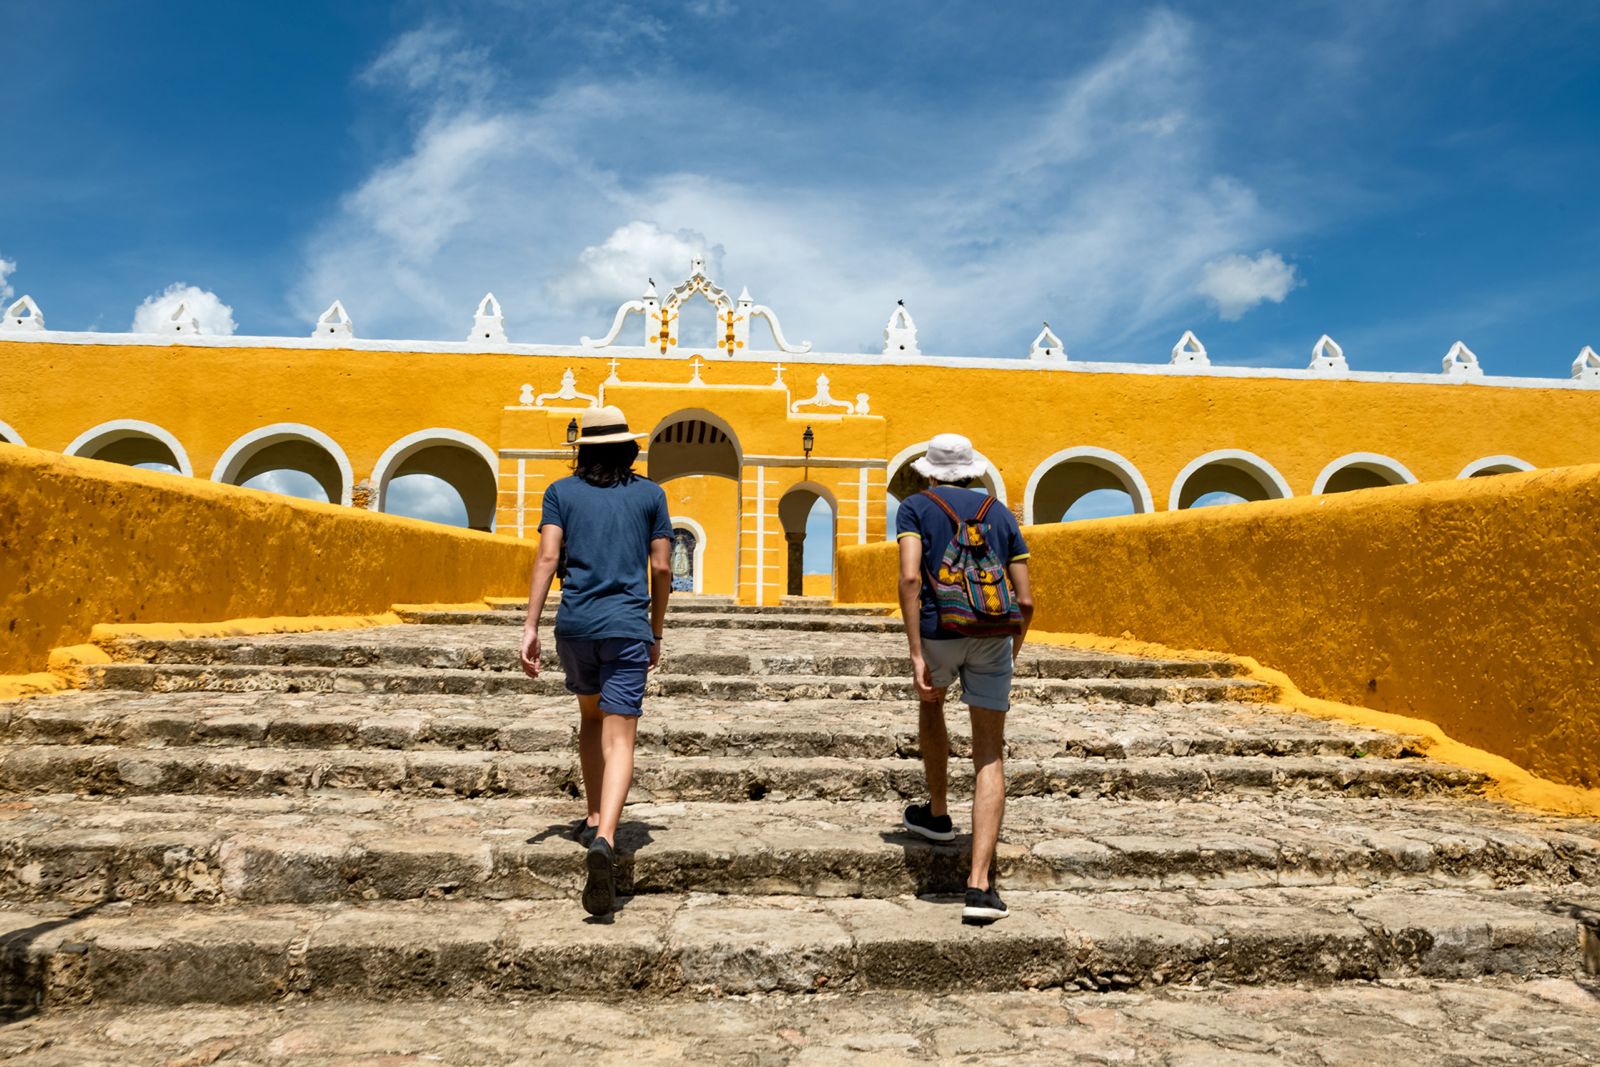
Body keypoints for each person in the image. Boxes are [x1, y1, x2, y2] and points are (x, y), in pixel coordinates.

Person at [519, 405, 673, 918]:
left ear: (583, 448)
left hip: (577, 625)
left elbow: (546, 558)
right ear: (629, 448)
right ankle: (606, 834)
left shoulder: (560, 493)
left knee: (589, 717)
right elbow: (663, 565)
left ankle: (589, 813)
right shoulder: (651, 495)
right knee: (620, 733)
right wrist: (655, 628)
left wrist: (530, 625)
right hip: (628, 626)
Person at [895, 433, 1033, 925]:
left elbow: (910, 578)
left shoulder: (915, 507)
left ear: (930, 471)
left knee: (931, 705)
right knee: (990, 751)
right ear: (973, 471)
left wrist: (915, 652)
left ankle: (936, 812)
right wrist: (1008, 650)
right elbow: (1027, 599)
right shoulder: (1001, 514)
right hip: (993, 632)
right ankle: (979, 885)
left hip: (938, 629)